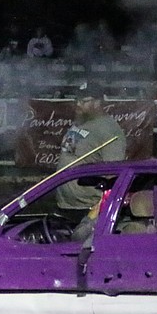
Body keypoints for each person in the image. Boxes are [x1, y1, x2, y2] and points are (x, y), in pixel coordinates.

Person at [54, 87, 126, 219]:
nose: (78, 104)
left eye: (83, 101)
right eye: (77, 99)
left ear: (97, 102)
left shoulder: (109, 130)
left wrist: (100, 209)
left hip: (89, 210)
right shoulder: (80, 122)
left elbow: (113, 173)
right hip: (65, 205)